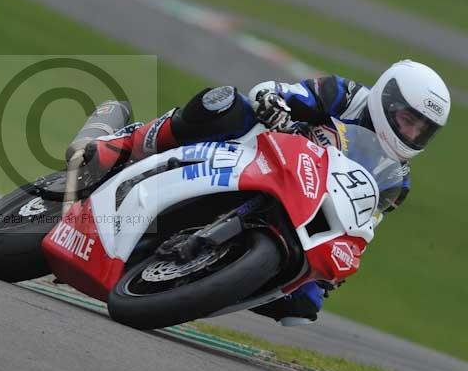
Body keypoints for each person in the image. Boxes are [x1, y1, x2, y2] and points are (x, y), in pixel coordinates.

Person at [78, 60, 451, 325]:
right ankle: (126, 143)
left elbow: (364, 224)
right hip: (257, 153)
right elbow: (281, 91)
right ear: (388, 101)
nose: (412, 134)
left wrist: (333, 272)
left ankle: (203, 282)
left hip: (301, 206)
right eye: (408, 120)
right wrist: (275, 103)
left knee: (303, 306)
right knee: (225, 104)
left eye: (423, 130)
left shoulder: (396, 180)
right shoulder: (345, 94)